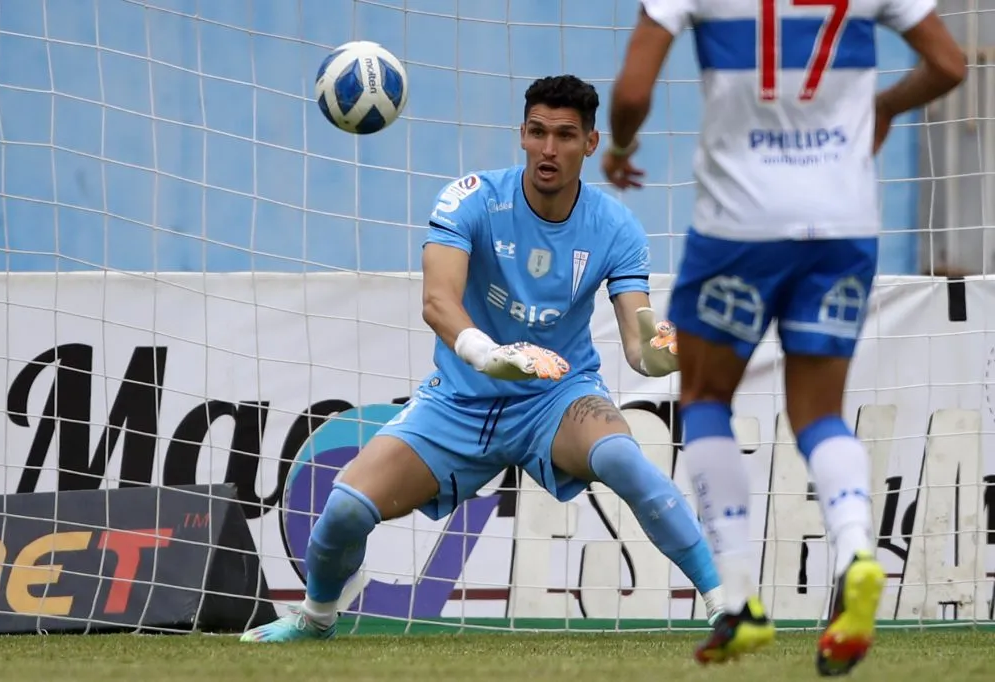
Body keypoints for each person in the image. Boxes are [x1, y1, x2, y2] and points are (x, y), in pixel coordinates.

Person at [241, 74, 725, 643]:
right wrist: (491, 355)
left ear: (591, 143)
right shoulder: (470, 198)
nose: (549, 149)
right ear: (521, 134)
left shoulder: (616, 227)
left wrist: (674, 351)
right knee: (345, 510)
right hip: (461, 401)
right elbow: (437, 301)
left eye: (565, 136)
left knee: (621, 456)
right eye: (538, 132)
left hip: (556, 398)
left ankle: (726, 604)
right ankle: (317, 618)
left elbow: (641, 345)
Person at [603, 0, 966, 674]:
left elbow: (630, 94)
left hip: (739, 226)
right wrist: (885, 106)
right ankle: (856, 550)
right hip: (843, 224)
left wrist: (621, 149)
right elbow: (949, 63)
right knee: (819, 414)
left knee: (706, 398)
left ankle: (741, 598)